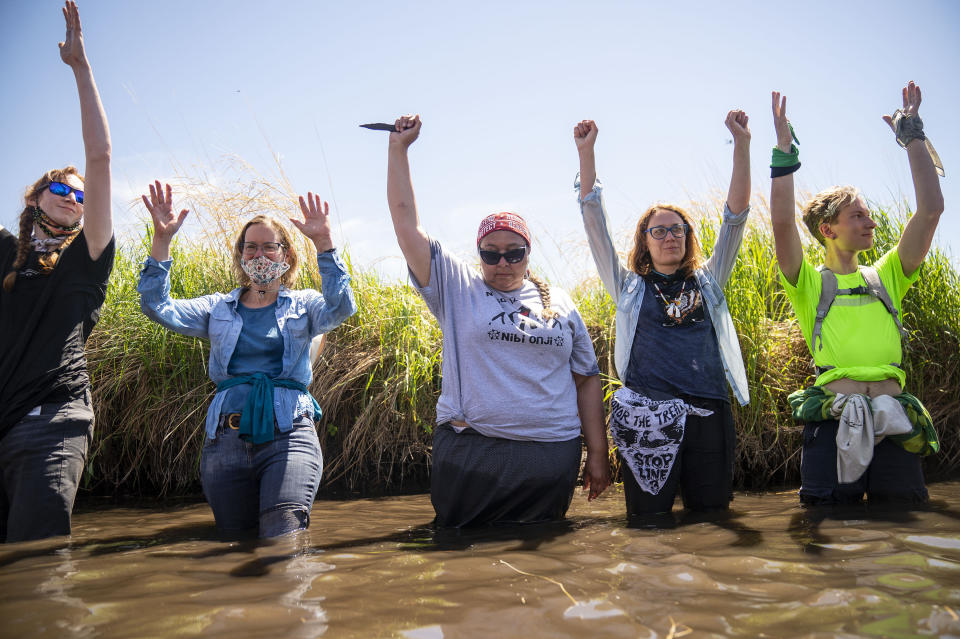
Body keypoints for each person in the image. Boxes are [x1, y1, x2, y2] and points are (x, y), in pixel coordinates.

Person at [386, 114, 611, 528]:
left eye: (514, 253)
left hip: (551, 454)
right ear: (478, 254)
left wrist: (597, 454)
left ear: (529, 254)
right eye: (491, 253)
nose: (502, 262)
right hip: (474, 451)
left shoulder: (561, 302)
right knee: (460, 559)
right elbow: (406, 226)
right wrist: (399, 149)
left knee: (542, 564)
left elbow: (587, 378)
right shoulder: (457, 287)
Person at [138, 183, 357, 537]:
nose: (260, 255)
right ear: (240, 255)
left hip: (289, 433)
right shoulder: (217, 308)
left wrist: (324, 243)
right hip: (226, 438)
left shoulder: (304, 304)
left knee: (282, 536)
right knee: (232, 541)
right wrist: (161, 241)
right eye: (251, 247)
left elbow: (341, 307)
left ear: (286, 256)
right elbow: (157, 307)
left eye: (270, 247)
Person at [769, 83, 943, 506]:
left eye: (868, 214)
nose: (870, 223)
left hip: (893, 417)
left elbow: (931, 210)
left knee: (902, 534)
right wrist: (784, 154)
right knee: (828, 530)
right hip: (833, 420)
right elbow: (782, 225)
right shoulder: (809, 283)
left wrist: (912, 133)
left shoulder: (888, 276)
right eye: (858, 215)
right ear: (828, 229)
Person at [574, 110, 752, 520]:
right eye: (659, 230)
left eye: (677, 229)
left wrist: (741, 145)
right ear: (645, 240)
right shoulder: (629, 287)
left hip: (709, 412)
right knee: (647, 524)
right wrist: (587, 154)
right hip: (646, 418)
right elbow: (594, 225)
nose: (669, 236)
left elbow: (735, 219)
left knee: (710, 522)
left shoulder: (710, 280)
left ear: (688, 237)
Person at [0, 2, 113, 543]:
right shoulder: (5, 252)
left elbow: (101, 156)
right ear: (36, 195)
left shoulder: (85, 258)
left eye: (81, 194)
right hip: (3, 416)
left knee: (36, 566)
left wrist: (81, 68)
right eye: (62, 187)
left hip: (52, 423)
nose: (74, 196)